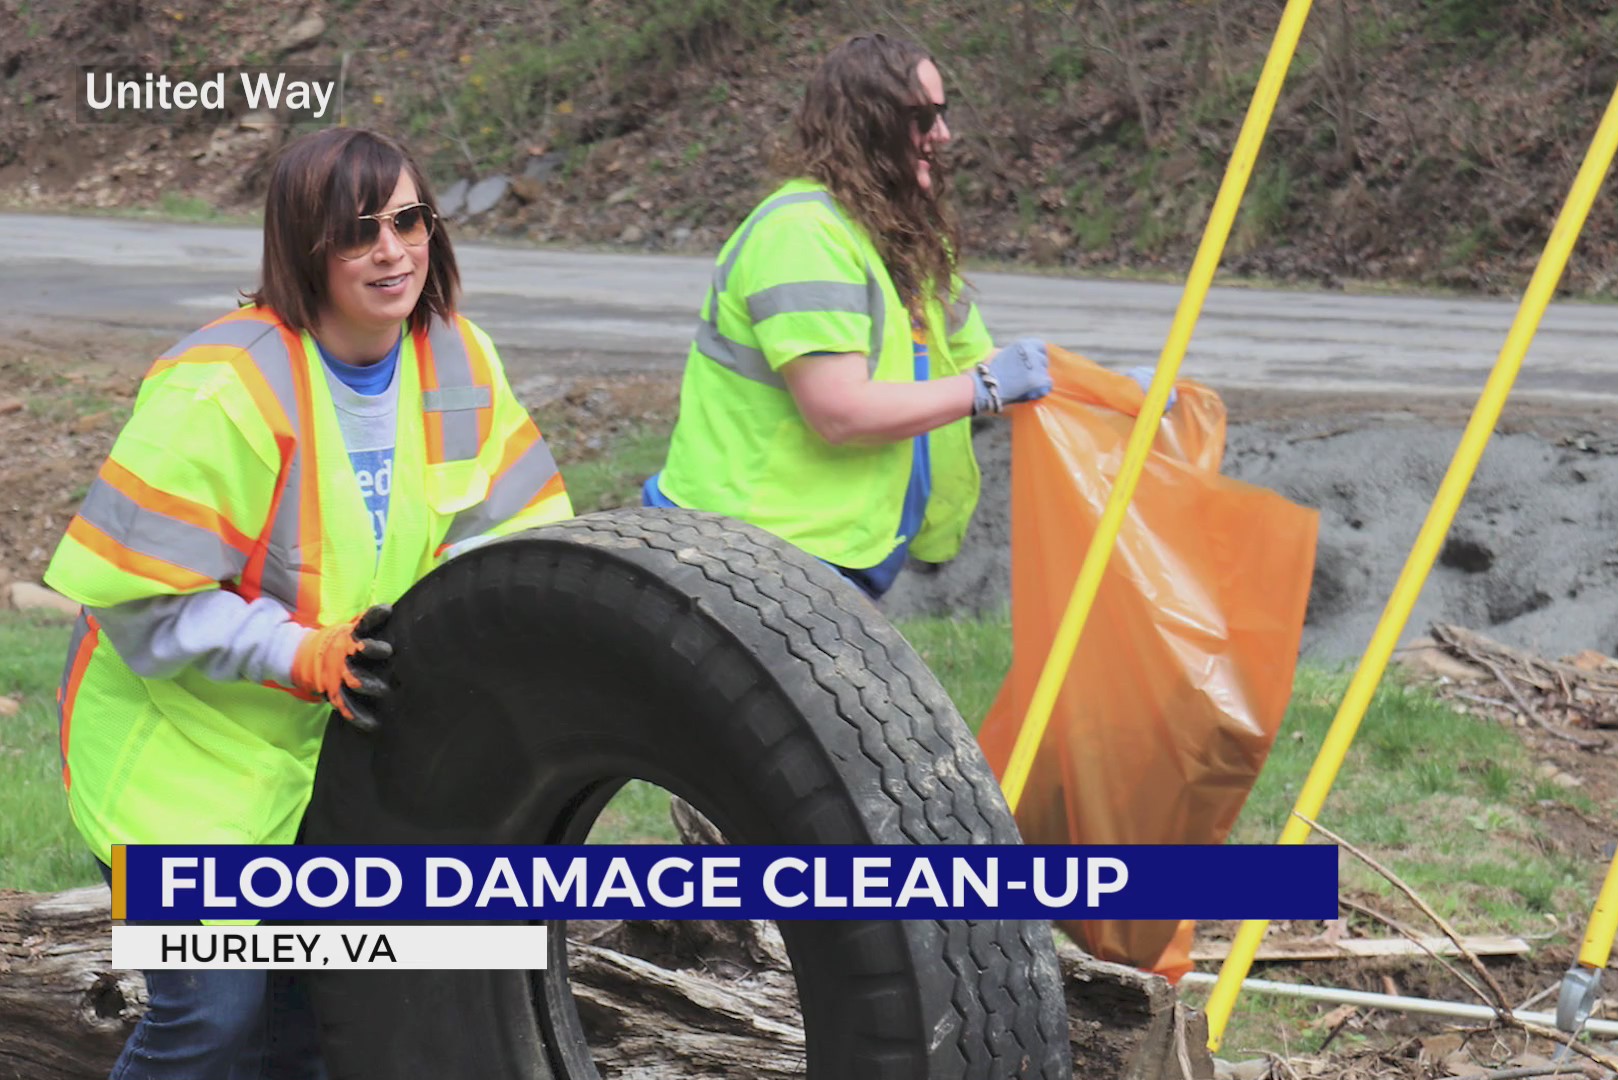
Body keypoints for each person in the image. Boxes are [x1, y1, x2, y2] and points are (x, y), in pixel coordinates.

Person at [42, 127, 573, 1078]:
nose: (392, 249)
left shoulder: (458, 359)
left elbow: (518, 539)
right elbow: (139, 606)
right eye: (356, 230)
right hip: (182, 765)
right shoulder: (222, 387)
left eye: (408, 219)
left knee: (310, 1031)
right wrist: (299, 653)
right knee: (212, 1021)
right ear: (301, 247)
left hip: (330, 751)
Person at [642, 33, 1054, 598]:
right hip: (740, 555)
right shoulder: (802, 234)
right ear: (866, 124)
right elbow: (841, 412)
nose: (943, 134)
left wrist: (1110, 397)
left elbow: (985, 364)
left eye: (944, 112)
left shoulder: (906, 237)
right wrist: (983, 389)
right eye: (923, 116)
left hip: (822, 552)